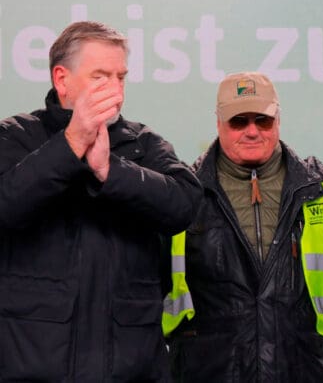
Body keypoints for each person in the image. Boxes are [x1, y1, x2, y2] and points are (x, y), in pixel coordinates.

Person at [0, 21, 202, 381]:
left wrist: (112, 171)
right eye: (100, 77)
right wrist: (70, 145)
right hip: (31, 367)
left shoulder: (143, 144)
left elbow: (185, 205)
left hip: (131, 369)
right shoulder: (15, 138)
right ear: (62, 80)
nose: (115, 90)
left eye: (120, 77)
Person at [161, 72, 323, 381]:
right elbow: (157, 283)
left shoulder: (319, 190)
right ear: (218, 122)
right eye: (238, 122)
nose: (252, 131)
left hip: (302, 369)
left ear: (278, 120)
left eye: (263, 120)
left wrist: (289, 321)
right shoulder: (185, 193)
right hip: (208, 371)